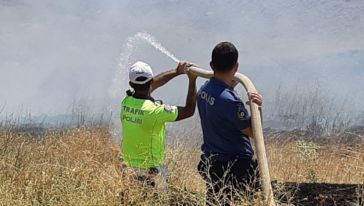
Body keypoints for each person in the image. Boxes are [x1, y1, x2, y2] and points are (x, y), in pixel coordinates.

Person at [196, 42, 263, 205]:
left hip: (214, 163)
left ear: (211, 65)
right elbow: (253, 132)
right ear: (236, 66)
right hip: (236, 166)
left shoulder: (204, 90)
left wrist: (229, 86)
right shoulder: (230, 101)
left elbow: (219, 102)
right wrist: (258, 110)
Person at [121, 60, 197, 190]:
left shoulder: (126, 102)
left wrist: (177, 72)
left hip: (128, 169)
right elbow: (189, 110)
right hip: (151, 172)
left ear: (130, 84)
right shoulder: (156, 111)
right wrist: (192, 80)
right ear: (150, 82)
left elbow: (152, 83)